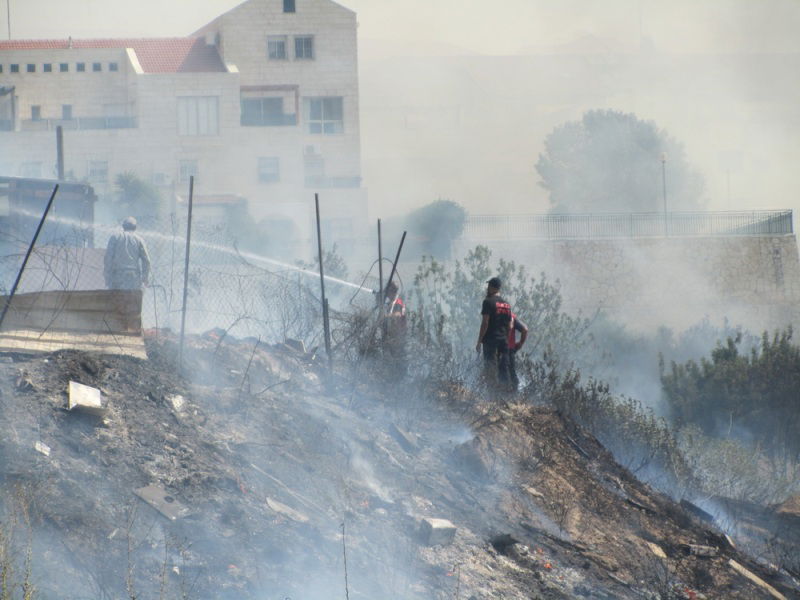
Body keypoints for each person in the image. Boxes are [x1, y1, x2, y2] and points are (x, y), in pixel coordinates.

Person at [475, 276, 512, 384]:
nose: (487, 288)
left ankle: (491, 396)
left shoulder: (488, 302)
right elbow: (509, 326)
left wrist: (479, 341)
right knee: (503, 369)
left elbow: (485, 322)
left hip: (490, 341)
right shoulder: (507, 305)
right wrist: (506, 340)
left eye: (488, 286)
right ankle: (505, 395)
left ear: (492, 287)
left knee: (490, 368)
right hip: (503, 342)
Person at [103, 216, 151, 290]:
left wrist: (107, 277)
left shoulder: (115, 237)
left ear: (123, 227)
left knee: (116, 299)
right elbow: (146, 261)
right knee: (133, 299)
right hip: (134, 276)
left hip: (117, 275)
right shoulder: (139, 240)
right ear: (135, 227)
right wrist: (145, 278)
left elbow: (108, 258)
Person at [507, 312, 529, 390]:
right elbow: (525, 329)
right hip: (510, 349)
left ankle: (497, 395)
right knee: (511, 371)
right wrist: (520, 344)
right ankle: (514, 394)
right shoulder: (510, 316)